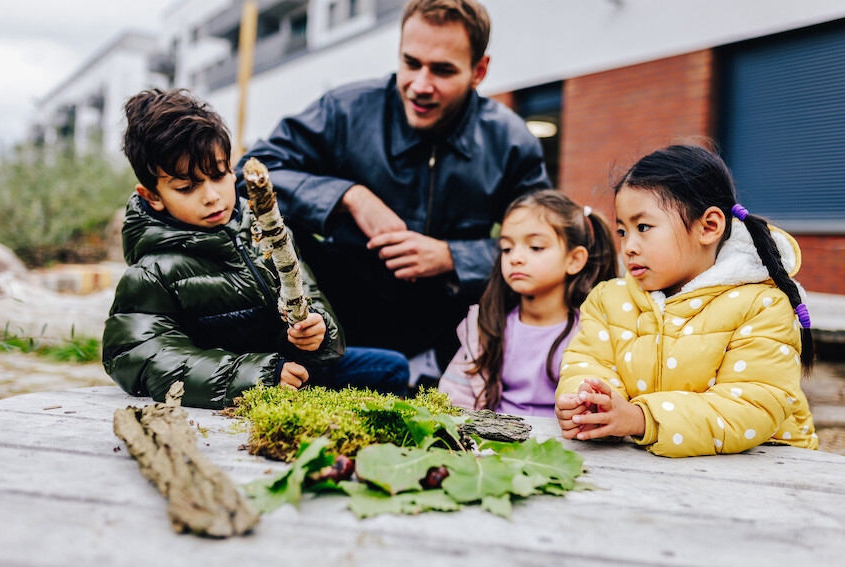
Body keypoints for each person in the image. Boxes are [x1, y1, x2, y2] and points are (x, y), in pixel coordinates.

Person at [235, 0, 551, 375]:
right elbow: (249, 174)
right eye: (411, 63)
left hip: (451, 335)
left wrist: (451, 257)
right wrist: (348, 197)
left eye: (443, 70)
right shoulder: (345, 110)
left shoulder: (512, 141)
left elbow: (547, 243)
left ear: (478, 71)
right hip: (339, 318)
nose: (420, 85)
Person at [102, 88, 409, 410]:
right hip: (240, 390)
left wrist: (316, 332)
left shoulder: (267, 231)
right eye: (187, 187)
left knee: (392, 369)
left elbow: (311, 297)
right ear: (152, 196)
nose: (212, 196)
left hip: (295, 372)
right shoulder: (154, 271)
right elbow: (140, 358)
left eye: (219, 176)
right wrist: (258, 376)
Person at [555, 143, 818, 457]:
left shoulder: (761, 305)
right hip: (652, 464)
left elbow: (749, 405)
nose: (629, 246)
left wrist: (640, 419)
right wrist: (590, 403)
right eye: (623, 231)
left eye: (643, 227)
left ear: (707, 227)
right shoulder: (609, 299)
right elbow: (587, 362)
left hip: (767, 469)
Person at [437, 189, 617, 416]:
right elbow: (454, 397)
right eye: (507, 248)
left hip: (567, 446)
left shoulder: (593, 332)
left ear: (574, 260)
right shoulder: (486, 326)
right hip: (492, 443)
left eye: (535, 247)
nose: (516, 258)